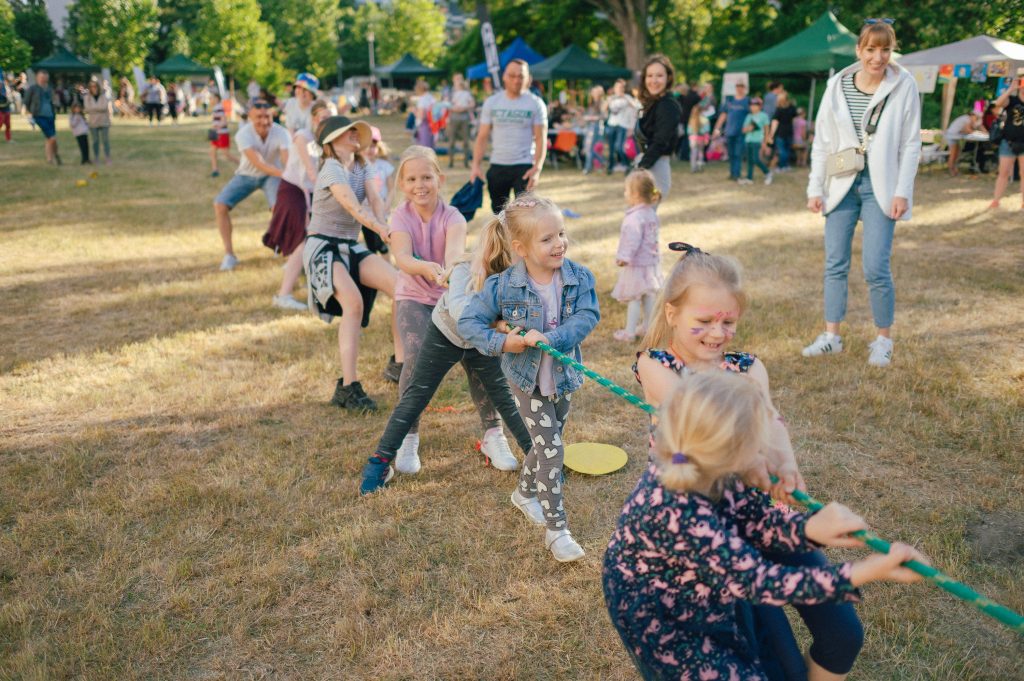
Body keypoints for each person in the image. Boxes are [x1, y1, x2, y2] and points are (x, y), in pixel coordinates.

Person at [630, 244, 874, 680]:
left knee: (843, 634)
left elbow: (768, 418)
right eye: (702, 321)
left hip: (765, 515)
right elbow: (700, 418)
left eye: (728, 322)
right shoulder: (655, 364)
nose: (717, 333)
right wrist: (752, 463)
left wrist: (784, 458)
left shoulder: (748, 366)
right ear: (671, 314)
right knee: (774, 663)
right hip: (710, 531)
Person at [603, 371, 926, 680]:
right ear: (731, 453)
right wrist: (869, 570)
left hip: (696, 583)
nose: (763, 451)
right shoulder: (677, 511)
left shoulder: (704, 462)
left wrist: (809, 529)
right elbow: (761, 582)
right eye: (757, 444)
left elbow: (754, 518)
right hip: (662, 615)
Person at [459, 194, 600, 562]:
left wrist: (552, 339)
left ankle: (524, 493)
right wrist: (505, 341)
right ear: (520, 248)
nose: (559, 244)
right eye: (547, 239)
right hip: (527, 381)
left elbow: (586, 317)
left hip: (563, 376)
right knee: (553, 451)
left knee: (545, 444)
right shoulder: (503, 286)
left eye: (561, 234)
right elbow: (468, 323)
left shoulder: (579, 276)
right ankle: (557, 530)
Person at [359, 214, 538, 495]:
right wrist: (500, 326)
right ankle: (379, 461)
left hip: (482, 343)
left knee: (502, 395)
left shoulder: (518, 276)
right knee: (417, 394)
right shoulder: (464, 269)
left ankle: (536, 458)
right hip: (447, 334)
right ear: (514, 248)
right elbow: (462, 314)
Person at [804, 20, 921, 368]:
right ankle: (831, 337)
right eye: (871, 49)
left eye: (885, 49)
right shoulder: (837, 84)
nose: (878, 56)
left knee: (875, 267)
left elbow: (912, 143)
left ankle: (883, 340)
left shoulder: (904, 84)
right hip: (841, 184)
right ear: (859, 50)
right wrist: (815, 187)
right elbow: (822, 141)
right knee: (834, 263)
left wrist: (903, 192)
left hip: (881, 187)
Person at [302, 116, 401, 411]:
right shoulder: (331, 168)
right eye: (349, 132)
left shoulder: (362, 166)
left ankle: (399, 362)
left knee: (401, 287)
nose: (357, 135)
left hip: (349, 245)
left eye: (357, 131)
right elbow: (351, 206)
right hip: (322, 246)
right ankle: (348, 385)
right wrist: (381, 229)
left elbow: (374, 201)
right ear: (331, 141)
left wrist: (385, 229)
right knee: (353, 304)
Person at [267, 100, 332, 311]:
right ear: (314, 119)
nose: (327, 122)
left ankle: (313, 286)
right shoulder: (303, 136)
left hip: (311, 194)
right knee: (303, 243)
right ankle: (283, 295)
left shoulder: (327, 142)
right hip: (293, 191)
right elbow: (311, 173)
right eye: (323, 117)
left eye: (331, 118)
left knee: (312, 242)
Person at [212, 100, 291, 271]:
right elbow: (258, 163)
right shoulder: (243, 134)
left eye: (268, 116)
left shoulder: (282, 133)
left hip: (272, 176)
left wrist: (291, 173)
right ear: (249, 117)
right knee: (220, 204)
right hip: (247, 175)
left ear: (273, 116)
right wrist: (285, 174)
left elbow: (286, 159)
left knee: (279, 208)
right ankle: (229, 255)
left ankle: (288, 254)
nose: (264, 121)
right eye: (259, 117)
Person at [470, 60, 548, 214]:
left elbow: (541, 138)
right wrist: (475, 166)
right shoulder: (492, 102)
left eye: (521, 76)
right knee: (499, 216)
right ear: (504, 77)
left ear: (528, 79)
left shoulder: (536, 104)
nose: (516, 80)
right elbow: (482, 136)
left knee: (525, 216)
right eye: (512, 75)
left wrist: (537, 167)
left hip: (524, 166)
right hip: (498, 165)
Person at [612, 170, 662, 343]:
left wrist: (624, 257)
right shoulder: (651, 213)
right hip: (650, 263)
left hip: (636, 263)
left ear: (634, 195)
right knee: (649, 295)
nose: (625, 194)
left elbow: (632, 240)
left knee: (634, 297)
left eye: (626, 190)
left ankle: (629, 332)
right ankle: (648, 327)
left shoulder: (634, 217)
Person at [635, 54, 682, 200]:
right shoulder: (654, 102)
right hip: (648, 163)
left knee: (643, 217)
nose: (654, 80)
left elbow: (660, 141)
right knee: (639, 217)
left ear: (668, 78)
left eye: (659, 75)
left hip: (655, 165)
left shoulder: (668, 105)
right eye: (649, 75)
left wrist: (641, 169)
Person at [988, 79, 1024, 209]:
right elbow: (998, 103)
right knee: (1003, 172)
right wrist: (1010, 89)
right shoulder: (1012, 100)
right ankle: (996, 200)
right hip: (1008, 142)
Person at [713, 82, 750, 181]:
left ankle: (736, 174)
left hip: (741, 132)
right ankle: (732, 173)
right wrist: (717, 128)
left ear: (744, 88)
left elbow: (752, 115)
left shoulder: (747, 101)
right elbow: (723, 115)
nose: (739, 88)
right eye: (738, 86)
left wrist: (750, 127)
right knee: (731, 154)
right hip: (729, 131)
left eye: (741, 86)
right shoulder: (730, 100)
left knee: (738, 153)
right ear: (735, 87)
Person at [23, 70, 60, 165]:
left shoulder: (49, 88)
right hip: (39, 116)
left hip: (50, 115)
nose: (43, 79)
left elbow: (54, 101)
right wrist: (29, 113)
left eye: (45, 77)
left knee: (51, 138)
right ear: (37, 78)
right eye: (41, 77)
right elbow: (26, 101)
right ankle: (52, 157)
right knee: (51, 138)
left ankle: (53, 157)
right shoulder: (33, 88)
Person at [605, 79, 639, 174]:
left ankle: (626, 165)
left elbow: (636, 108)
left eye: (620, 87)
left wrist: (630, 128)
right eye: (617, 87)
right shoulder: (611, 98)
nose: (619, 89)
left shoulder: (627, 97)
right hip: (611, 125)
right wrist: (608, 101)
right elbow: (604, 109)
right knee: (611, 148)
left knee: (620, 147)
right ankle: (610, 167)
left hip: (622, 125)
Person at [740, 97, 772, 185]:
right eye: (751, 105)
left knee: (756, 159)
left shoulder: (764, 116)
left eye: (755, 105)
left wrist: (765, 142)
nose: (753, 107)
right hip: (748, 140)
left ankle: (767, 173)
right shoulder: (749, 116)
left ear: (760, 106)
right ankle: (749, 178)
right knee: (750, 160)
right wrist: (749, 129)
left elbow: (766, 129)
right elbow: (743, 129)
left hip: (757, 140)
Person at [944, 110, 984, 176]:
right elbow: (967, 130)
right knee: (953, 154)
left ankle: (954, 169)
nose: (976, 119)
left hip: (954, 136)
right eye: (976, 117)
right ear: (972, 115)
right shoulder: (967, 119)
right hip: (952, 136)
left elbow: (964, 130)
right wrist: (976, 132)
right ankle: (952, 170)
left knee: (957, 153)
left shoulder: (965, 118)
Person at [448, 74, 475, 169]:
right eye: (457, 79)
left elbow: (472, 103)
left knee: (466, 141)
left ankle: (466, 162)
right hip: (454, 118)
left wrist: (464, 108)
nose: (458, 81)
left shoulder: (467, 93)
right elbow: (447, 104)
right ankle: (451, 162)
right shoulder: (451, 92)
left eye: (460, 79)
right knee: (451, 141)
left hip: (464, 118)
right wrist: (454, 108)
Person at [83, 79, 112, 164]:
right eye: (91, 86)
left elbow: (104, 107)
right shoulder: (87, 97)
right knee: (95, 141)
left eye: (95, 86)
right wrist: (98, 109)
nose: (93, 88)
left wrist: (94, 109)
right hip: (93, 122)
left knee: (105, 140)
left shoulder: (103, 96)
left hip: (104, 121)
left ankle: (107, 158)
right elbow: (87, 109)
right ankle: (96, 158)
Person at [208, 92, 236, 178]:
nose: (210, 100)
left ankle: (243, 165)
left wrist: (216, 127)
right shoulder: (216, 107)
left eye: (211, 98)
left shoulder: (219, 107)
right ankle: (215, 170)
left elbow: (224, 121)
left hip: (222, 134)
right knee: (212, 152)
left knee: (226, 154)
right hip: (217, 133)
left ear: (216, 98)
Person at [768, 91, 797, 173]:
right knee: (787, 150)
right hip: (789, 131)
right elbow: (795, 117)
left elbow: (775, 122)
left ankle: (781, 166)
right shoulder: (792, 108)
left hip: (780, 132)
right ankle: (786, 165)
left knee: (781, 151)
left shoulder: (779, 109)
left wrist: (771, 134)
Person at [582, 85, 606, 174]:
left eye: (595, 92)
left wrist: (593, 117)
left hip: (596, 127)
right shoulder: (591, 103)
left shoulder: (602, 103)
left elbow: (604, 116)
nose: (593, 93)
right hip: (590, 127)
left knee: (591, 148)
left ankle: (588, 168)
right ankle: (601, 163)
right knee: (589, 148)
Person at [686, 102, 711, 173]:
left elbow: (688, 130)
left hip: (692, 138)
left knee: (693, 153)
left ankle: (693, 167)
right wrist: (706, 138)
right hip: (701, 138)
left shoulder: (691, 119)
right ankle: (700, 167)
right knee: (700, 153)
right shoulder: (705, 119)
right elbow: (706, 130)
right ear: (702, 110)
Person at [413, 79, 436, 148]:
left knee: (424, 148)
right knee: (430, 146)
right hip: (432, 124)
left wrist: (414, 111)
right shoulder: (431, 97)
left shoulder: (422, 100)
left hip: (424, 125)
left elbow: (421, 116)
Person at [0, 76, 11, 142]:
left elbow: (7, 101)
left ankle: (8, 139)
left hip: (6, 110)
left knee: (8, 125)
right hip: (1, 111)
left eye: (1, 84)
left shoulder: (4, 92)